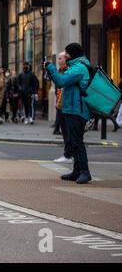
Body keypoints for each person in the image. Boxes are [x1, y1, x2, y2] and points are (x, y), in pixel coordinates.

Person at [45, 43, 92, 184]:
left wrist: (51, 67)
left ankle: (85, 172)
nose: (65, 55)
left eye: (67, 52)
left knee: (77, 142)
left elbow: (61, 81)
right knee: (72, 141)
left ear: (73, 54)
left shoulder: (79, 68)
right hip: (71, 108)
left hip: (77, 110)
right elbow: (60, 82)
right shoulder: (75, 66)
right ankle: (77, 171)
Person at [53, 52, 74, 164]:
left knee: (67, 132)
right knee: (65, 131)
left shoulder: (67, 71)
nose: (58, 60)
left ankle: (68, 155)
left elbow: (63, 87)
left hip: (65, 105)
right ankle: (69, 154)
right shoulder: (61, 70)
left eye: (60, 58)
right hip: (61, 104)